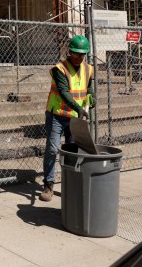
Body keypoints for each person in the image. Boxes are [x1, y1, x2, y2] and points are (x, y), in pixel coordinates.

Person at [40, 34, 94, 202]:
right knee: (52, 149)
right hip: (56, 115)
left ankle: (70, 184)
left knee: (72, 152)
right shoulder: (60, 69)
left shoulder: (88, 69)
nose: (79, 57)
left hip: (74, 118)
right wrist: (78, 107)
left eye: (82, 54)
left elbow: (89, 87)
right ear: (70, 52)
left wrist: (91, 98)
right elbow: (63, 92)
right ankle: (48, 184)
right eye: (76, 53)